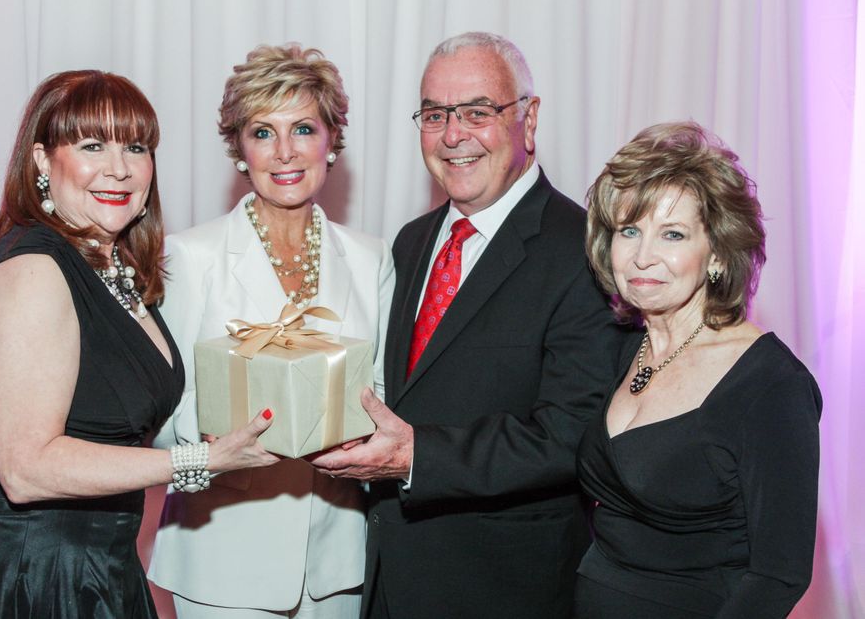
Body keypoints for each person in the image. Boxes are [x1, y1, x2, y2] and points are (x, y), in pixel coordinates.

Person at [0, 70, 279, 619]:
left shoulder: (114, 268)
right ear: (40, 161)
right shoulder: (36, 268)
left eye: (136, 146)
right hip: (19, 579)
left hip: (98, 572)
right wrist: (198, 460)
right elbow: (27, 468)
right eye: (92, 145)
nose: (119, 168)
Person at [309, 32, 627, 618]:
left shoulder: (586, 251)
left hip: (505, 589)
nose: (453, 134)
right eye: (434, 115)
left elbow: (571, 434)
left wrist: (417, 458)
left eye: (477, 112)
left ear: (528, 120)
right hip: (387, 581)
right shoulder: (410, 240)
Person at [147, 44, 394, 619]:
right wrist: (216, 438)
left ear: (332, 140)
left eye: (303, 128)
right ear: (239, 148)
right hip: (222, 554)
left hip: (337, 561)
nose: (284, 153)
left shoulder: (370, 258)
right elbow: (159, 407)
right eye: (263, 132)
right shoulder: (188, 257)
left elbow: (379, 387)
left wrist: (360, 436)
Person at [573, 121, 821, 618]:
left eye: (672, 234)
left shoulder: (771, 386)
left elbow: (778, 576)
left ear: (716, 253)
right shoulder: (626, 347)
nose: (643, 256)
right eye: (629, 230)